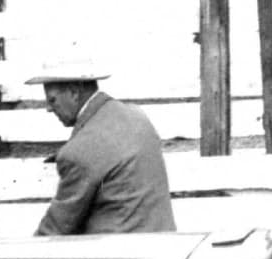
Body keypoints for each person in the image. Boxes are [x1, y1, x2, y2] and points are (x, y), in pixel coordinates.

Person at [25, 53, 176, 235]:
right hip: (165, 246)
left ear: (74, 92)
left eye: (52, 100)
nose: (49, 108)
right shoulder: (137, 116)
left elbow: (56, 228)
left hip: (115, 256)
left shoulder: (79, 150)